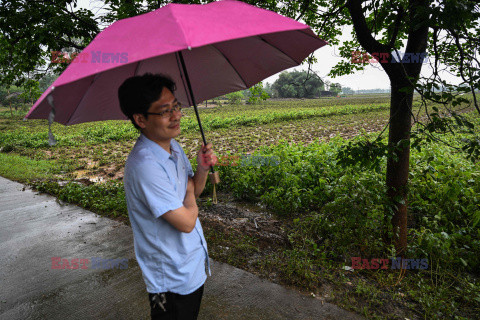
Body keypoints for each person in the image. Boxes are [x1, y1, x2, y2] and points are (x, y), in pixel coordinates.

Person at [118, 73, 217, 320]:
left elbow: (195, 188)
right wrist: (188, 193)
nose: (176, 116)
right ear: (140, 119)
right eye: (164, 111)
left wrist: (202, 169)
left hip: (190, 266)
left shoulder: (174, 147)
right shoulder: (144, 165)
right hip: (170, 280)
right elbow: (185, 222)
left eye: (176, 106)